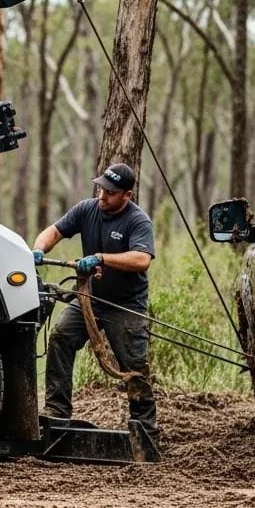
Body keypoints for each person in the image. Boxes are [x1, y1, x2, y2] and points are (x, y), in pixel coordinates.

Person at [32, 163, 158, 438]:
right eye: (101, 188)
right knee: (61, 337)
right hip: (90, 299)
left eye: (111, 192)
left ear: (127, 195)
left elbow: (142, 259)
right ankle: (57, 413)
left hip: (125, 304)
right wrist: (39, 249)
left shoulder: (138, 221)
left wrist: (101, 257)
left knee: (134, 367)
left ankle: (145, 432)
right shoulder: (86, 209)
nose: (102, 196)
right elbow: (53, 231)